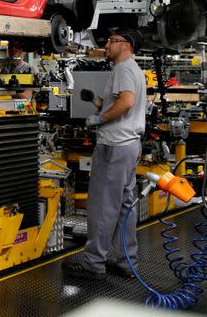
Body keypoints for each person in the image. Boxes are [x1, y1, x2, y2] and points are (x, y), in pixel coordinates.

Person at [63, 28, 146, 280]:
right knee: (123, 207)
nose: (107, 44)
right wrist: (94, 101)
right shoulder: (130, 69)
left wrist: (100, 118)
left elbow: (127, 102)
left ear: (126, 45)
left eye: (113, 40)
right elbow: (116, 101)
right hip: (129, 146)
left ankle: (93, 263)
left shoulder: (123, 69)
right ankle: (125, 262)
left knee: (102, 206)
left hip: (114, 146)